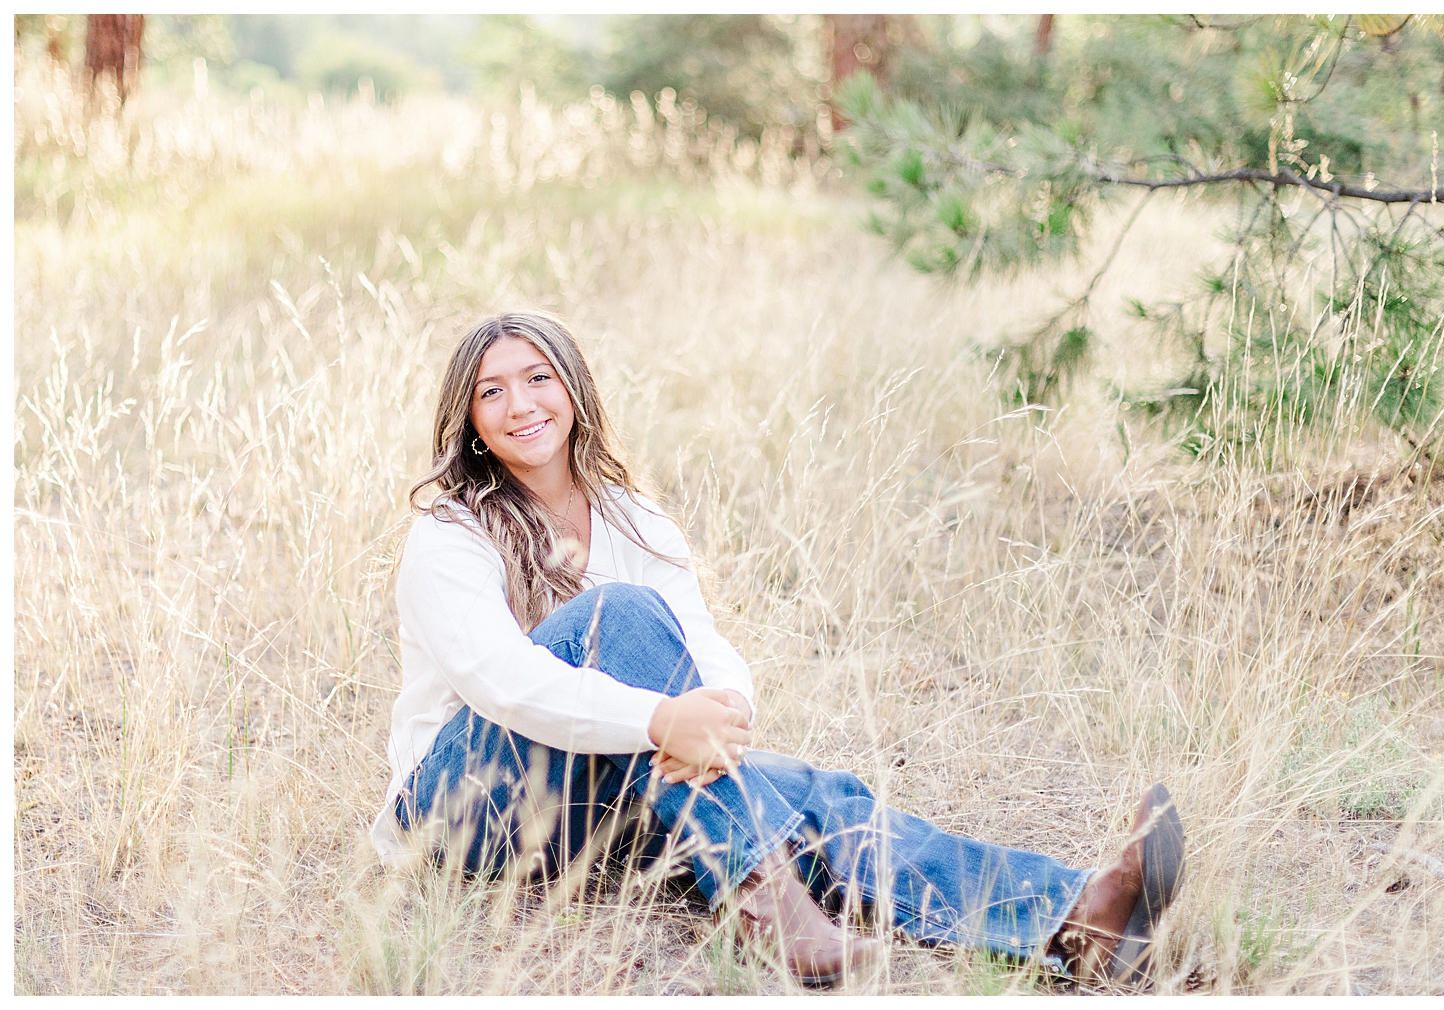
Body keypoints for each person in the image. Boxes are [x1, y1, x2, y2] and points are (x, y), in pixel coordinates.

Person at [370, 310, 1186, 988]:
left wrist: (721, 714)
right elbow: (502, 681)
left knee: (817, 797)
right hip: (461, 812)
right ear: (469, 419)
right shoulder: (451, 532)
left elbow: (704, 645)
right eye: (492, 391)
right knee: (615, 618)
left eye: (539, 377)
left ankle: (1077, 919)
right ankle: (771, 911)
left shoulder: (630, 516)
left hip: (598, 806)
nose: (521, 405)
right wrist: (664, 720)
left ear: (574, 387)